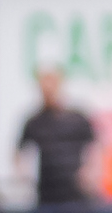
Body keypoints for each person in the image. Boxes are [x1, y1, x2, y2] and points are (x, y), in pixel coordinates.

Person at [18, 71, 98, 206]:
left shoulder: (77, 118)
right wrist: (24, 178)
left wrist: (90, 172)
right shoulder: (34, 122)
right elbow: (20, 152)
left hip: (76, 193)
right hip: (47, 193)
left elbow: (94, 146)